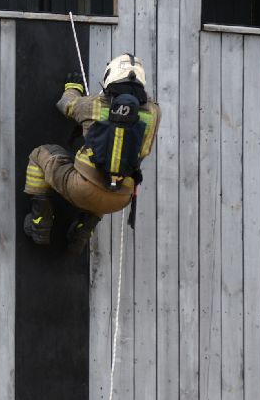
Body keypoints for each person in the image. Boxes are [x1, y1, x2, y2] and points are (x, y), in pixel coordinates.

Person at [23, 53, 160, 253]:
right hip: (121, 198)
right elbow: (143, 148)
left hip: (82, 189)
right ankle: (82, 231)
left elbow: (66, 104)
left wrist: (73, 87)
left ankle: (40, 223)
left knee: (40, 155)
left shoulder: (94, 104)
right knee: (109, 178)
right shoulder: (154, 113)